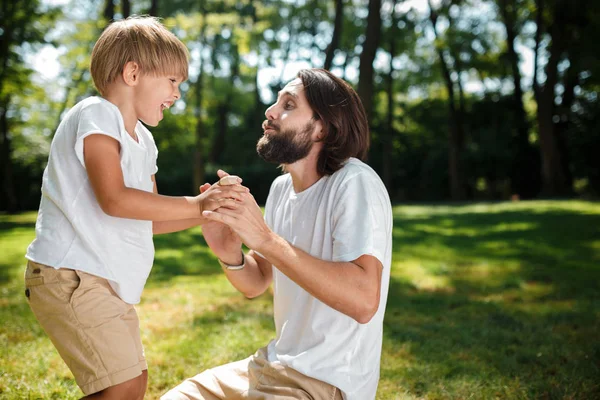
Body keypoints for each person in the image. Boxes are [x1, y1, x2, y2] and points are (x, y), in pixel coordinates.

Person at [24, 16, 246, 400]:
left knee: (131, 384)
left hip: (102, 281)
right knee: (121, 385)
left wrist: (209, 210)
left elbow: (148, 217)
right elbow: (114, 198)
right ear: (132, 73)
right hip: (71, 274)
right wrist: (195, 203)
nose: (177, 93)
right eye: (172, 81)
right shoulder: (97, 113)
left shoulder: (144, 140)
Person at [163, 68, 393, 400]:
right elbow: (257, 282)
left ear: (321, 128)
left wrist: (265, 238)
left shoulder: (355, 182)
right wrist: (228, 250)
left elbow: (363, 301)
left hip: (325, 384)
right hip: (269, 366)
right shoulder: (281, 188)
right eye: (276, 102)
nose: (270, 112)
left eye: (288, 104)